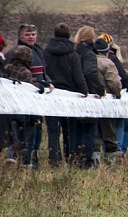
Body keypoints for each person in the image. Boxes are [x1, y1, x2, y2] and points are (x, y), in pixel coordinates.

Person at [44, 23, 87, 166]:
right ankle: (71, 158)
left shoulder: (46, 52)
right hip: (70, 96)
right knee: (69, 130)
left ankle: (54, 159)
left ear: (54, 34)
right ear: (69, 35)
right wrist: (84, 91)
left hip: (50, 95)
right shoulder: (72, 54)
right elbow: (78, 76)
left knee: (52, 129)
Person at [14, 23, 52, 168]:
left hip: (38, 99)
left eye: (33, 34)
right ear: (20, 36)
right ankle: (22, 160)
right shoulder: (18, 52)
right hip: (24, 100)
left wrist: (48, 82)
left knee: (37, 130)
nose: (31, 37)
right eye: (27, 34)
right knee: (25, 131)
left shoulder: (37, 51)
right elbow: (22, 75)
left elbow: (42, 72)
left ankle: (33, 159)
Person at [3, 45, 46, 167]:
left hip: (8, 109)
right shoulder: (25, 72)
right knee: (26, 138)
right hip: (23, 110)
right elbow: (32, 87)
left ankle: (10, 156)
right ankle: (25, 162)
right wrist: (40, 85)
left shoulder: (6, 68)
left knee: (12, 135)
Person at [99, 33, 128, 155]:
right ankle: (118, 151)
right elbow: (122, 79)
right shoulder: (112, 59)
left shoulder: (91, 58)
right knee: (122, 124)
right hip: (113, 97)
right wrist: (119, 92)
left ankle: (113, 151)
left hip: (100, 97)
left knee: (104, 129)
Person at [73, 26, 104, 168]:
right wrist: (99, 89)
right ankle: (86, 161)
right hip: (88, 94)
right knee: (89, 130)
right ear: (91, 37)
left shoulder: (74, 51)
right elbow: (90, 72)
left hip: (72, 94)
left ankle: (74, 159)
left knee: (76, 130)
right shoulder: (89, 53)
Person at [94, 37, 123, 163]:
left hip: (89, 103)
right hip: (107, 103)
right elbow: (115, 84)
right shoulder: (108, 63)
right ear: (107, 51)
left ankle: (94, 162)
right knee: (109, 134)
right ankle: (110, 163)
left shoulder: (87, 60)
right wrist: (118, 93)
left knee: (96, 134)